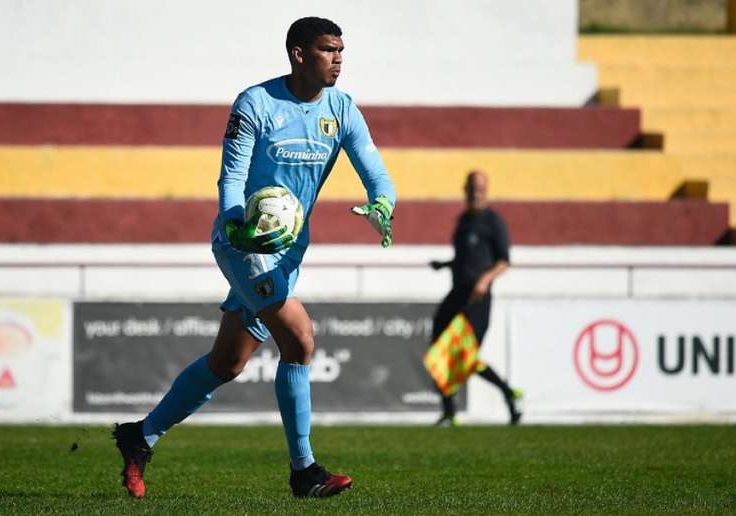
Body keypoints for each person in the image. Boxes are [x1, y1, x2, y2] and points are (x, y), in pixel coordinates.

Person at [113, 17, 395, 499]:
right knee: (301, 341)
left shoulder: (343, 109)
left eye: (342, 50)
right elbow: (231, 177)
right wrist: (234, 223)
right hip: (243, 245)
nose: (339, 59)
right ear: (299, 53)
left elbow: (377, 173)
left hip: (287, 254)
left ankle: (140, 436)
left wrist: (382, 205)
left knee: (227, 363)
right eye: (329, 50)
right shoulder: (256, 104)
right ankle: (304, 471)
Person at [429, 171, 521, 426]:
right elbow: (466, 258)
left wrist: (484, 280)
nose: (475, 192)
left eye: (479, 188)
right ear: (465, 189)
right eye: (471, 187)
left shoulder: (493, 221)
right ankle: (449, 411)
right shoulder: (463, 221)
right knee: (438, 348)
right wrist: (445, 264)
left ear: (486, 190)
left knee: (466, 357)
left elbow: (504, 262)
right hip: (457, 294)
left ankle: (509, 394)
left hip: (478, 299)